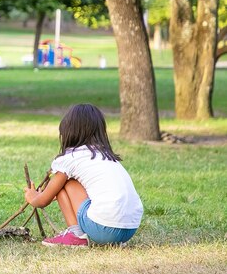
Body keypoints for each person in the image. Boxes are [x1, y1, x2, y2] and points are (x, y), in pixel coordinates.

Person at [23, 104, 143, 247]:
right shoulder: (108, 157)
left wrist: (32, 196)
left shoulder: (71, 158)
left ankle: (76, 236)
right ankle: (107, 238)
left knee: (64, 183)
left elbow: (42, 201)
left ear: (68, 132)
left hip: (103, 229)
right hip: (129, 230)